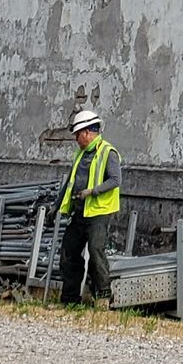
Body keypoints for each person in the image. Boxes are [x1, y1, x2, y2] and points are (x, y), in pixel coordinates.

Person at [56, 106, 121, 306]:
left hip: (99, 212)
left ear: (87, 133)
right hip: (80, 211)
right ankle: (70, 299)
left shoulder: (108, 152)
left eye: (77, 135)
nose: (76, 139)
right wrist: (56, 206)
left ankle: (102, 297)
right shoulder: (80, 154)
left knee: (96, 252)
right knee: (69, 252)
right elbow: (70, 181)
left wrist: (92, 192)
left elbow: (115, 180)